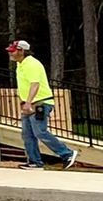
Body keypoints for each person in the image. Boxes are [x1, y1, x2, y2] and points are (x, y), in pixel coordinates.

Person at [7, 39, 79, 170]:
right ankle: (35, 162)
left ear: (22, 51)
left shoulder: (32, 64)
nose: (10, 54)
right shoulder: (21, 64)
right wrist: (23, 102)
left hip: (40, 103)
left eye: (13, 51)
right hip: (30, 103)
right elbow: (25, 85)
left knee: (40, 131)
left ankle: (67, 154)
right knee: (27, 134)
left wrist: (28, 102)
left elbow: (35, 84)